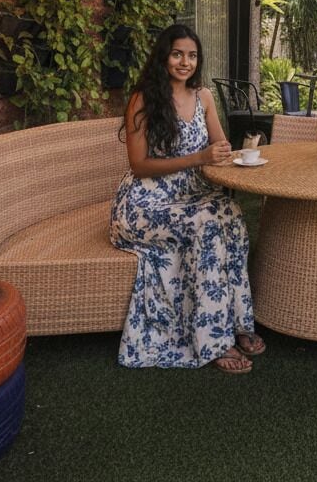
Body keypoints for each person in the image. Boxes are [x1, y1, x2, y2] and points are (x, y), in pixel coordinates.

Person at [110, 24, 264, 373]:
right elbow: (139, 165)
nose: (185, 62)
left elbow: (219, 147)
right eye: (177, 54)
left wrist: (226, 152)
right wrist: (199, 158)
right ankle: (214, 342)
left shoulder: (204, 96)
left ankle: (238, 323)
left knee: (233, 217)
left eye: (192, 55)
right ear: (164, 56)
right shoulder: (143, 99)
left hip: (192, 195)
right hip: (145, 204)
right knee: (208, 227)